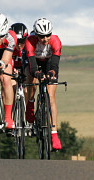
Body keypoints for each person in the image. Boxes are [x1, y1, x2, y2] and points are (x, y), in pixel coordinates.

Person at [24, 18, 62, 150]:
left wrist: (51, 73)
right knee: (30, 77)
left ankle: (54, 134)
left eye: (48, 35)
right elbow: (33, 68)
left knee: (51, 96)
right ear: (36, 34)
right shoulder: (30, 41)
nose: (45, 38)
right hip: (34, 61)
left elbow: (55, 65)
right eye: (41, 36)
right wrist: (38, 74)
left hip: (49, 62)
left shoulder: (55, 41)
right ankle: (30, 102)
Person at [10, 23, 29, 94]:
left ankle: (28, 105)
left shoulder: (29, 45)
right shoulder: (8, 45)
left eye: (22, 41)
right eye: (16, 41)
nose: (19, 45)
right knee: (12, 88)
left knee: (27, 90)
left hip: (25, 70)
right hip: (13, 71)